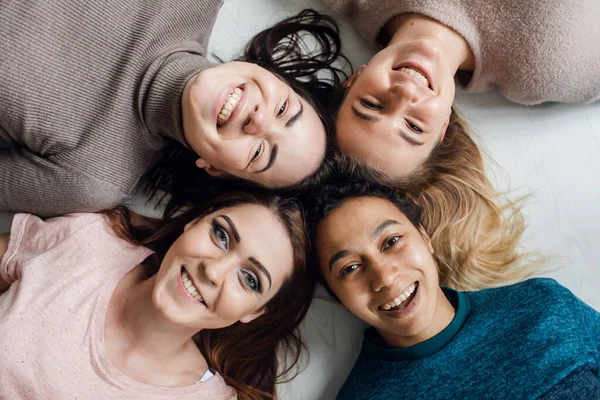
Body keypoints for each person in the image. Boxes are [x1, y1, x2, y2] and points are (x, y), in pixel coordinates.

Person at [0, 2, 346, 217]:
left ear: (214, 169)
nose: (259, 119)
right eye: (284, 108)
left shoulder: (93, 179)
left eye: (259, 152)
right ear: (273, 76)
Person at [0, 190, 315, 400]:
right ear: (192, 224)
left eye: (250, 279)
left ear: (255, 312)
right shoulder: (90, 240)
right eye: (220, 235)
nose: (213, 271)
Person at [310, 180, 600, 399]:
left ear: (425, 238)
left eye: (391, 241)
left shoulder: (542, 304)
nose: (384, 277)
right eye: (349, 268)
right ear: (338, 298)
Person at [322, 0, 600, 177]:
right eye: (414, 127)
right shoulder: (547, 69)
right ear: (444, 125)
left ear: (354, 79)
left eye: (371, 105)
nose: (404, 95)